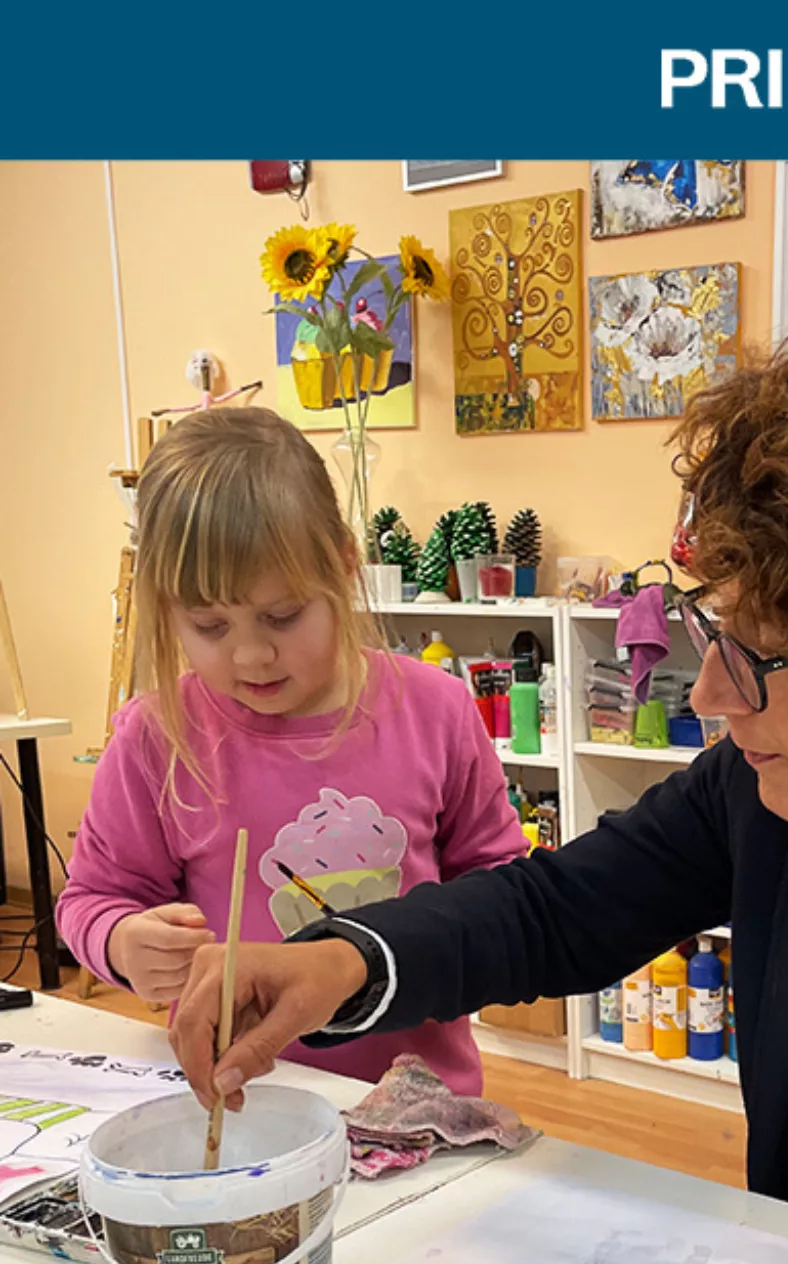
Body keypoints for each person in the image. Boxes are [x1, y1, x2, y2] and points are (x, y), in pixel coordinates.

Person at [172, 328, 788, 1264]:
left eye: (759, 654)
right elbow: (558, 907)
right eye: (714, 630)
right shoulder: (772, 803)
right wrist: (344, 963)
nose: (707, 691)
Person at [57, 406, 526, 1095]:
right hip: (239, 1098)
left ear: (341, 566)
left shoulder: (436, 710)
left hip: (412, 1099)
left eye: (282, 616)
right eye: (209, 624)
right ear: (166, 608)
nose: (251, 654)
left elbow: (499, 890)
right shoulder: (155, 737)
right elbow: (94, 897)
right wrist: (123, 942)